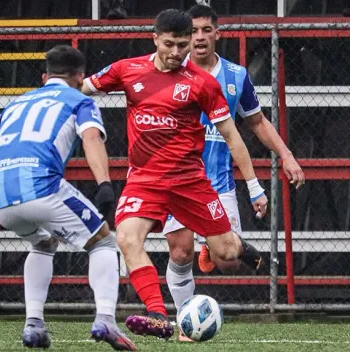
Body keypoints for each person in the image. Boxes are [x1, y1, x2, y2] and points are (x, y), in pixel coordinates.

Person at [81, 9, 268, 340]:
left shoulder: (202, 83)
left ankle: (238, 245)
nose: (177, 52)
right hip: (145, 180)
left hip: (190, 182)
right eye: (170, 44)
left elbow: (232, 135)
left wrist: (254, 186)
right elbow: (77, 89)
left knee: (226, 256)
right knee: (126, 238)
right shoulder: (127, 70)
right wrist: (19, 109)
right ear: (155, 39)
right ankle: (157, 314)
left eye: (183, 45)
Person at [0, 45, 136, 351]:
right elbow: (90, 138)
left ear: (44, 76)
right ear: (79, 77)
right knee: (102, 242)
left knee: (44, 242)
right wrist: (104, 184)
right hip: (40, 188)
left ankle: (33, 324)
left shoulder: (15, 105)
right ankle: (105, 319)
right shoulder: (79, 99)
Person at [161, 4, 305, 341]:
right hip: (178, 180)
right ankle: (186, 323)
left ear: (216, 33)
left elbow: (256, 122)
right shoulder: (170, 72)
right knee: (179, 251)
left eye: (205, 30)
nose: (199, 37)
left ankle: (221, 246)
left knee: (227, 261)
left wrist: (286, 155)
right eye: (193, 31)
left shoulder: (236, 76)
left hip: (218, 183)